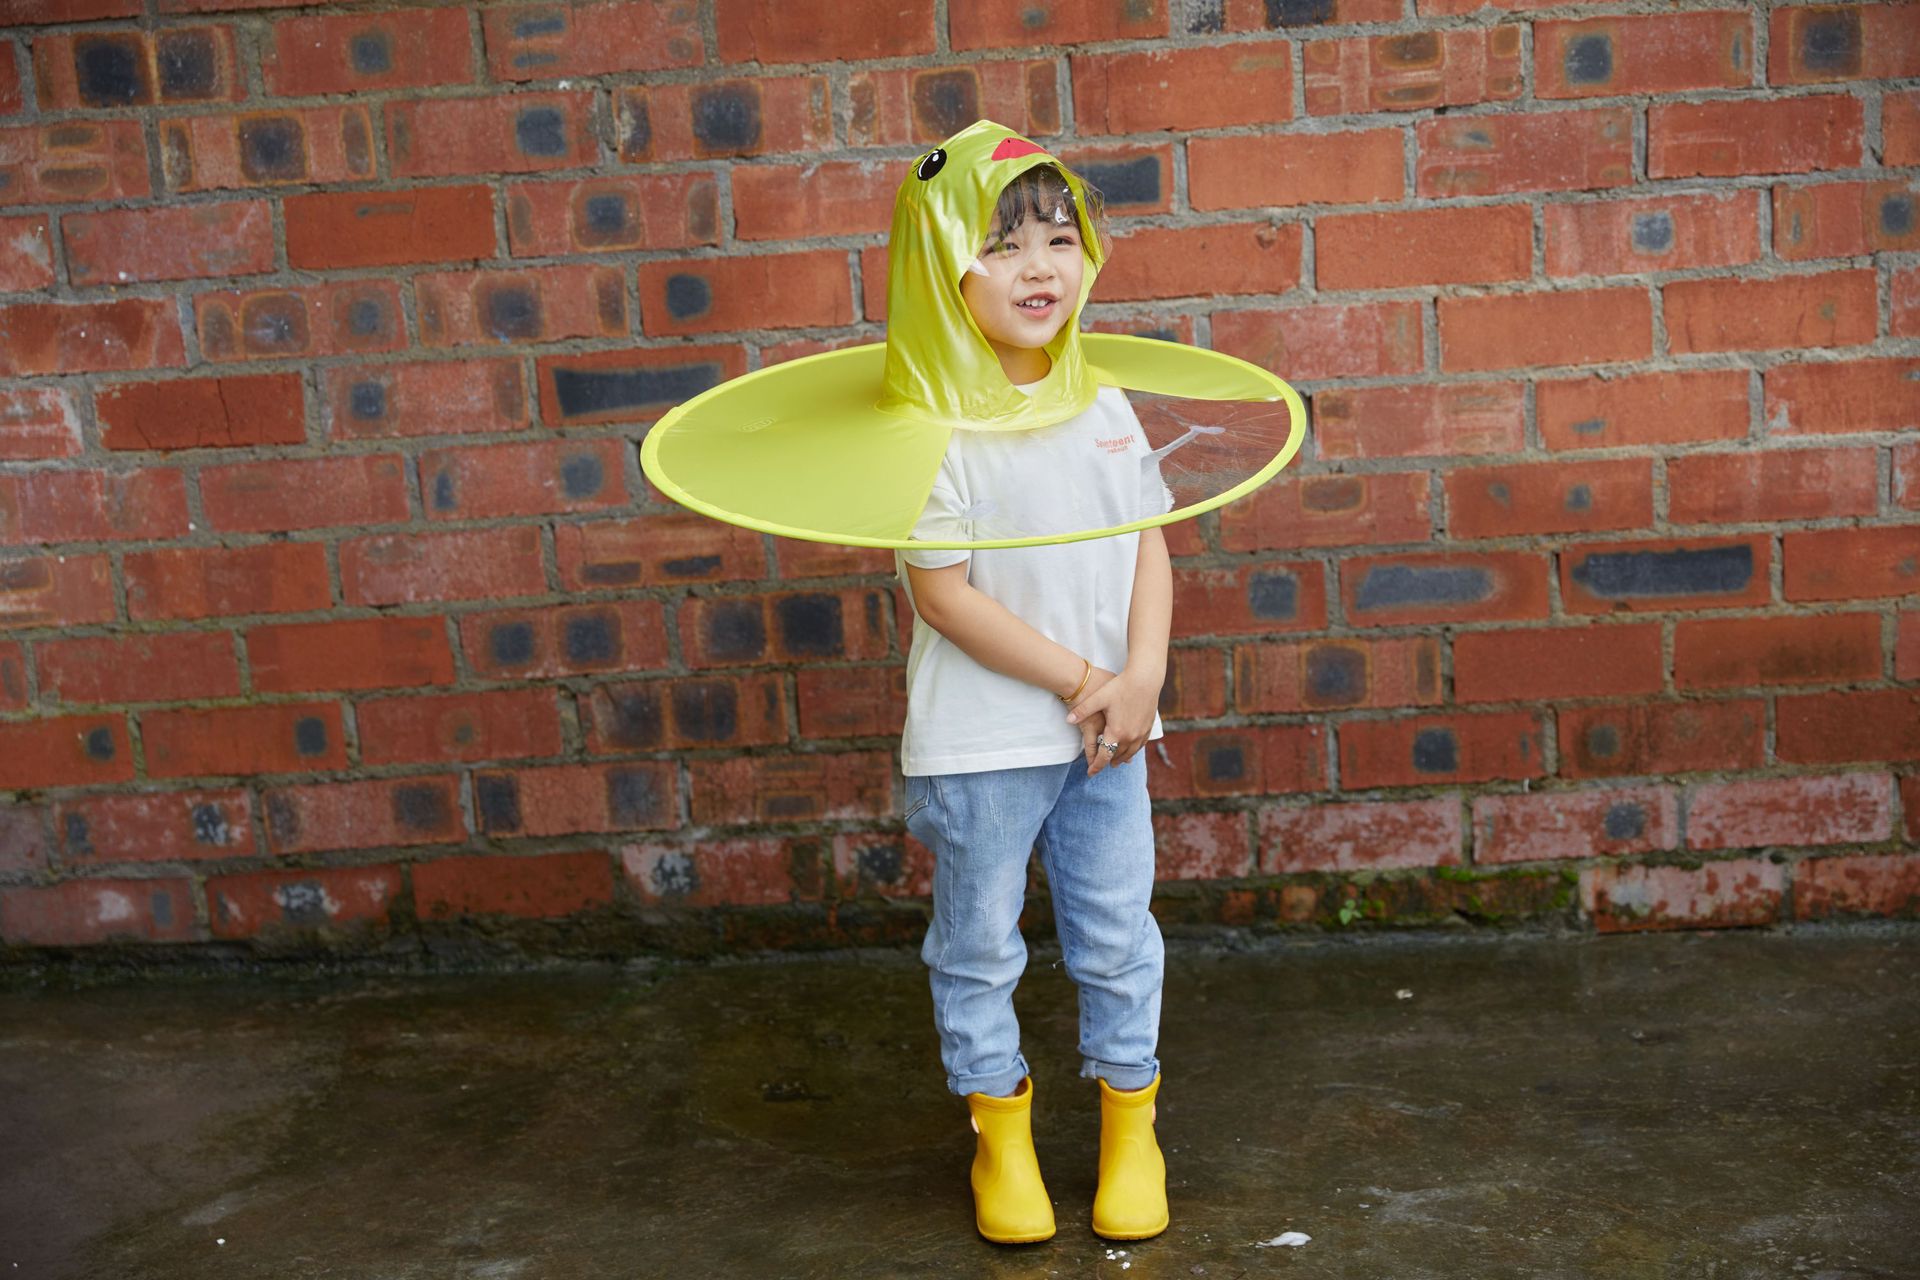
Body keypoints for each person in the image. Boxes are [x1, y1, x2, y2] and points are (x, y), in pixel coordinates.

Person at [890, 122, 1174, 1246]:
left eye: (1061, 237)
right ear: (945, 265)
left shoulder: (1101, 403)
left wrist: (1142, 679)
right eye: (1005, 246)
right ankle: (1000, 1136)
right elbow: (945, 595)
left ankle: (1130, 1128)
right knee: (978, 942)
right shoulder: (928, 427)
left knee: (1117, 933)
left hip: (1112, 736)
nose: (1042, 266)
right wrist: (1091, 680)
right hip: (986, 746)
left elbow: (1151, 538)